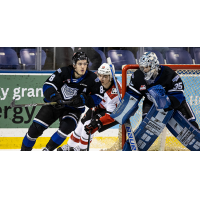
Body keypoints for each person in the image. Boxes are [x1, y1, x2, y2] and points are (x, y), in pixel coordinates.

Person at [110, 51, 200, 151]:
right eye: (142, 67)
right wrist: (125, 108)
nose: (144, 70)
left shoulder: (169, 74)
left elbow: (178, 95)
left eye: (147, 67)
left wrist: (165, 102)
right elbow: (133, 95)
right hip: (151, 104)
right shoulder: (138, 76)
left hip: (175, 104)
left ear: (154, 65)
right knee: (146, 129)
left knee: (192, 130)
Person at [21, 52, 105, 151]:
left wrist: (84, 99)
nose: (83, 66)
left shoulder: (92, 78)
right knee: (34, 131)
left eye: (85, 64)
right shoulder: (63, 72)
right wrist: (54, 97)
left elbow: (98, 96)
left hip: (73, 109)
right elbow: (48, 85)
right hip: (55, 105)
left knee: (66, 128)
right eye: (80, 64)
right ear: (74, 65)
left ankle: (47, 151)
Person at [57, 63, 122, 151]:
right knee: (81, 125)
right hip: (98, 106)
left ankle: (82, 150)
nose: (101, 79)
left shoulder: (115, 94)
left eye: (105, 76)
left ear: (111, 77)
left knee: (88, 127)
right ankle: (70, 146)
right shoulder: (95, 79)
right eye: (100, 75)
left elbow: (111, 116)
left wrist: (98, 122)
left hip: (112, 114)